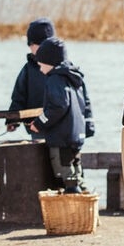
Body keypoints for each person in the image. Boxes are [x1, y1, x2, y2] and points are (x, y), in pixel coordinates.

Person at [28, 37, 94, 193]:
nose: (39, 66)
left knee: (66, 176)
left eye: (41, 62)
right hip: (76, 136)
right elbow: (85, 105)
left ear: (50, 62)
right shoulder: (73, 77)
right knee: (77, 175)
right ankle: (88, 208)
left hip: (62, 138)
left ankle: (74, 212)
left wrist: (38, 123)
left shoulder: (55, 79)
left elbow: (58, 106)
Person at [6, 18, 56, 137]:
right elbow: (19, 97)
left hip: (60, 128)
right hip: (36, 127)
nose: (30, 47)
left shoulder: (62, 68)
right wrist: (12, 120)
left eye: (32, 44)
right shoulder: (29, 69)